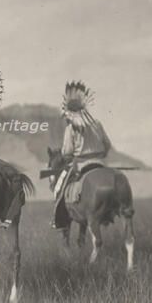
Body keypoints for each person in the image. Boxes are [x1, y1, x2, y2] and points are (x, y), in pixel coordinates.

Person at [52, 81, 112, 229]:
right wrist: (101, 153)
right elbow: (107, 145)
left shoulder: (71, 127)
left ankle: (59, 221)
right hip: (100, 164)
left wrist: (69, 158)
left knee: (60, 188)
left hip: (80, 165)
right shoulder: (96, 123)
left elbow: (67, 152)